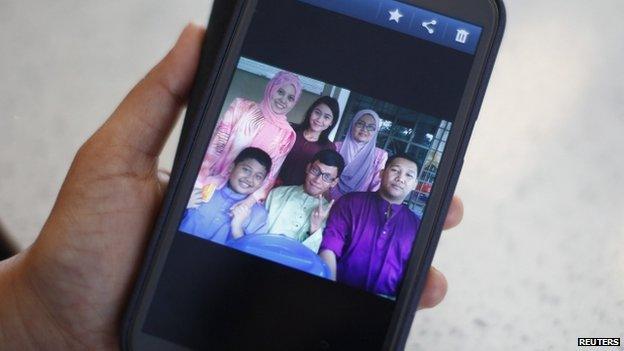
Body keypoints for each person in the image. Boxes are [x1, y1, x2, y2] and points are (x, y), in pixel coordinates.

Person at [0, 25, 463, 348]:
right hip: (225, 182)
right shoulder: (252, 118)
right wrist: (216, 183)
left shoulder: (335, 177)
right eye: (284, 95)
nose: (288, 102)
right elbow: (233, 150)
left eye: (291, 97)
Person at [319, 153, 424, 297]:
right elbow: (329, 247)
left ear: (415, 185)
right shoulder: (350, 203)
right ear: (381, 174)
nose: (400, 179)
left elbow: (413, 274)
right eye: (395, 170)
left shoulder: (417, 227)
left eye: (409, 175)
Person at [195, 70, 303, 205]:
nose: (283, 100)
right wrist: (198, 183)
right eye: (280, 92)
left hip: (243, 198)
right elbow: (216, 145)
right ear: (271, 88)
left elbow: (271, 174)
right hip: (211, 185)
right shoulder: (241, 107)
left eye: (290, 98)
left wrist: (249, 202)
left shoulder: (287, 134)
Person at [179, 147, 271, 244]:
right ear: (231, 167)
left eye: (258, 176)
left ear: (262, 183)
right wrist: (181, 204)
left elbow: (251, 255)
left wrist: (237, 228)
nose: (249, 179)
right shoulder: (203, 188)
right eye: (246, 170)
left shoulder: (259, 215)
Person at [264, 150, 344, 252]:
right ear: (308, 168)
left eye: (327, 177)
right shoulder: (277, 194)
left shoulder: (331, 215)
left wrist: (315, 228)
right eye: (315, 171)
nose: (317, 180)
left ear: (334, 182)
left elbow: (316, 256)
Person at [278, 96, 339, 186]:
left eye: (326, 117)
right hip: (272, 184)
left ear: (331, 122)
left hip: (298, 193)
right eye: (317, 113)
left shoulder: (329, 148)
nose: (319, 119)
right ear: (311, 112)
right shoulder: (290, 129)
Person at [329, 109, 388, 200]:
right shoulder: (336, 147)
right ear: (353, 125)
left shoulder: (379, 156)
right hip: (328, 198)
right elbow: (327, 177)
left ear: (375, 131)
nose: (364, 129)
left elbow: (376, 188)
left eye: (371, 127)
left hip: (358, 206)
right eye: (360, 124)